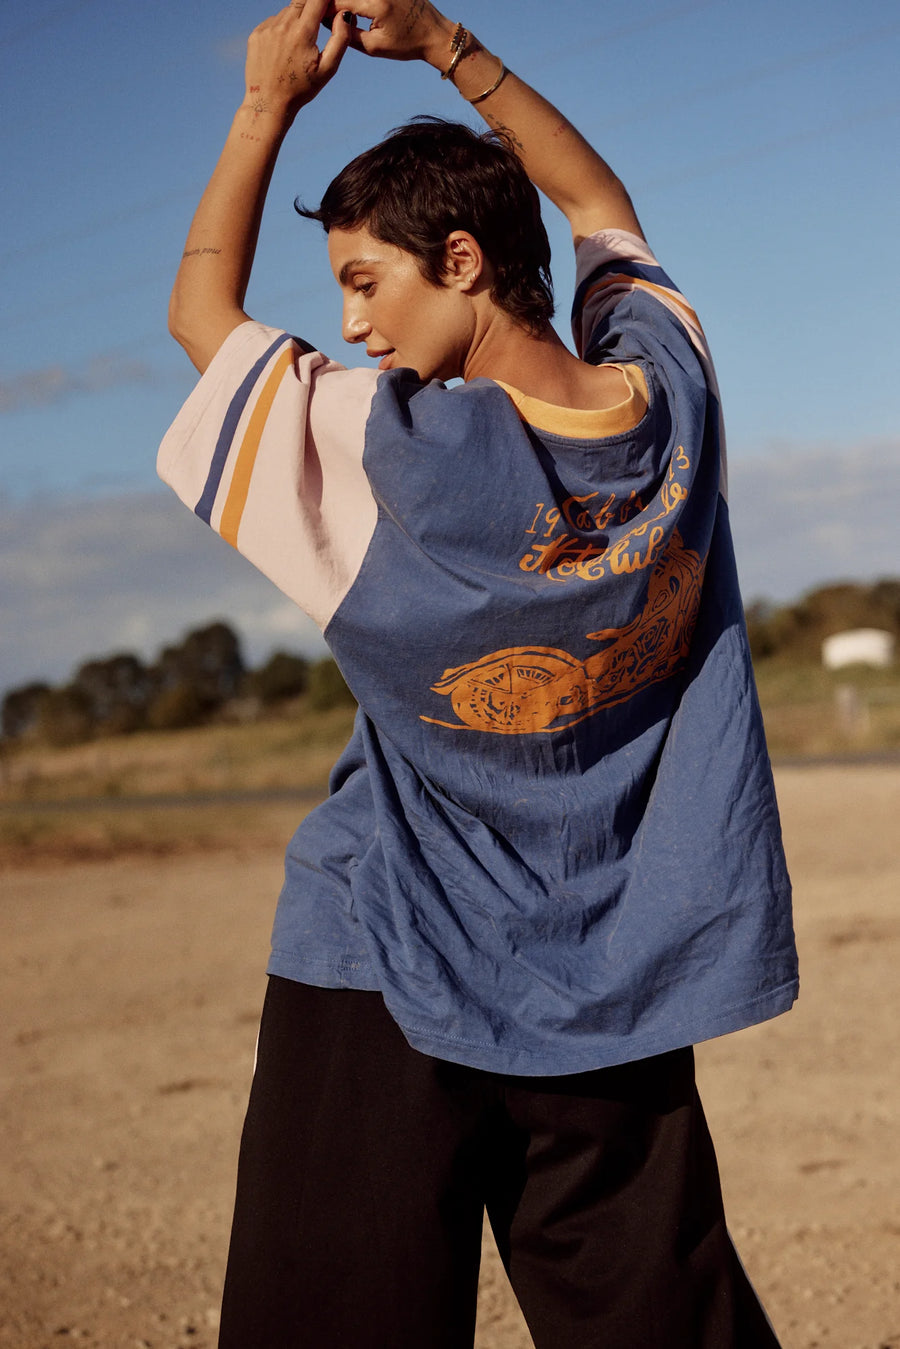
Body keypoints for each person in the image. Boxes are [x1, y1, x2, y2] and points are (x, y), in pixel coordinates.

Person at [159, 2, 799, 1344]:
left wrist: (267, 99)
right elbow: (600, 202)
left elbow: (198, 313)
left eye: (365, 282)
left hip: (379, 959)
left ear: (458, 260)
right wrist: (451, 44)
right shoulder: (673, 398)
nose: (352, 326)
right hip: (612, 970)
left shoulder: (393, 455)